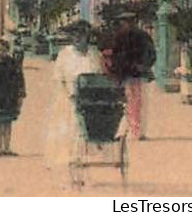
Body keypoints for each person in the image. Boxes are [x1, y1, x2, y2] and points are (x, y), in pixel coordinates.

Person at [50, 23, 105, 167]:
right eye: (75, 35)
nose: (78, 38)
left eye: (81, 35)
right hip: (69, 96)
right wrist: (69, 94)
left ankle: (88, 151)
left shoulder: (94, 54)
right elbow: (58, 78)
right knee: (71, 125)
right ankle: (72, 156)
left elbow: (99, 75)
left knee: (90, 122)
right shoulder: (64, 54)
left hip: (89, 95)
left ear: (87, 37)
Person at [104, 11, 156, 141]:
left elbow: (150, 55)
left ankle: (135, 131)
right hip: (132, 74)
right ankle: (135, 131)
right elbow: (151, 55)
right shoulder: (139, 36)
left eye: (127, 22)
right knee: (135, 103)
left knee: (133, 103)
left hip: (131, 74)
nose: (126, 25)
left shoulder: (122, 37)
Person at [0, 38, 26, 156]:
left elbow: (19, 80)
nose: (0, 53)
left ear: (7, 50)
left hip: (9, 97)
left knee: (7, 123)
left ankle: (7, 147)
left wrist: (21, 95)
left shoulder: (13, 64)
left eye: (3, 50)